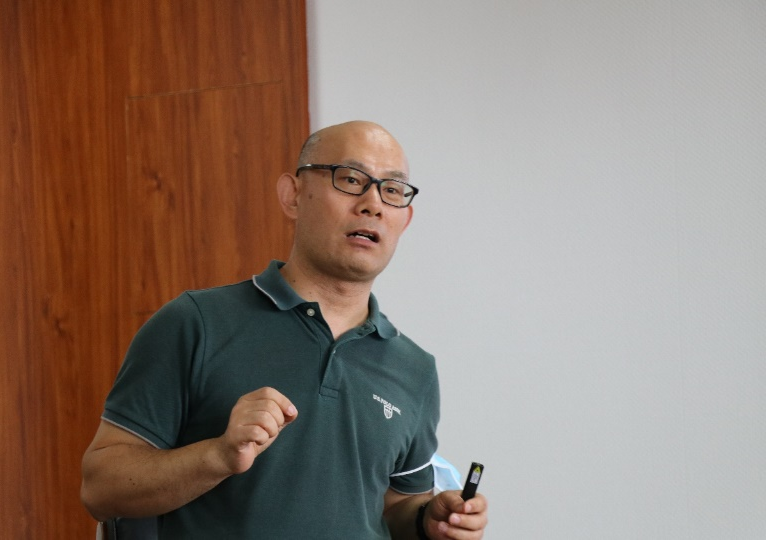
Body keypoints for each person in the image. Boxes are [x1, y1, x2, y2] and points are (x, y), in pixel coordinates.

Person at [81, 120, 488, 539]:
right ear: (292, 195)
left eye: (393, 190)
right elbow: (100, 488)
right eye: (351, 179)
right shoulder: (196, 322)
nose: (373, 204)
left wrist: (427, 519)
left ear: (406, 218)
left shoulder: (415, 369)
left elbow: (394, 505)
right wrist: (218, 456)